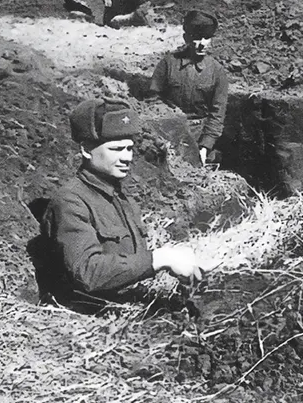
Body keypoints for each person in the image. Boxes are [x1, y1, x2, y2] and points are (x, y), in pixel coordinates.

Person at [37, 98, 204, 312]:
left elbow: (132, 262)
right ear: (87, 150)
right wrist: (159, 259)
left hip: (129, 309)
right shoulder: (71, 201)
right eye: (116, 149)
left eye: (129, 148)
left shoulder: (122, 198)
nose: (127, 157)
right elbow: (88, 273)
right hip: (92, 323)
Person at [149, 10, 229, 166]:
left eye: (207, 39)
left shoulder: (217, 71)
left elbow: (217, 115)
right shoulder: (168, 63)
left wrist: (205, 147)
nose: (203, 43)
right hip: (168, 131)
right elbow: (153, 99)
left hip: (198, 136)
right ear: (186, 38)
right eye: (197, 38)